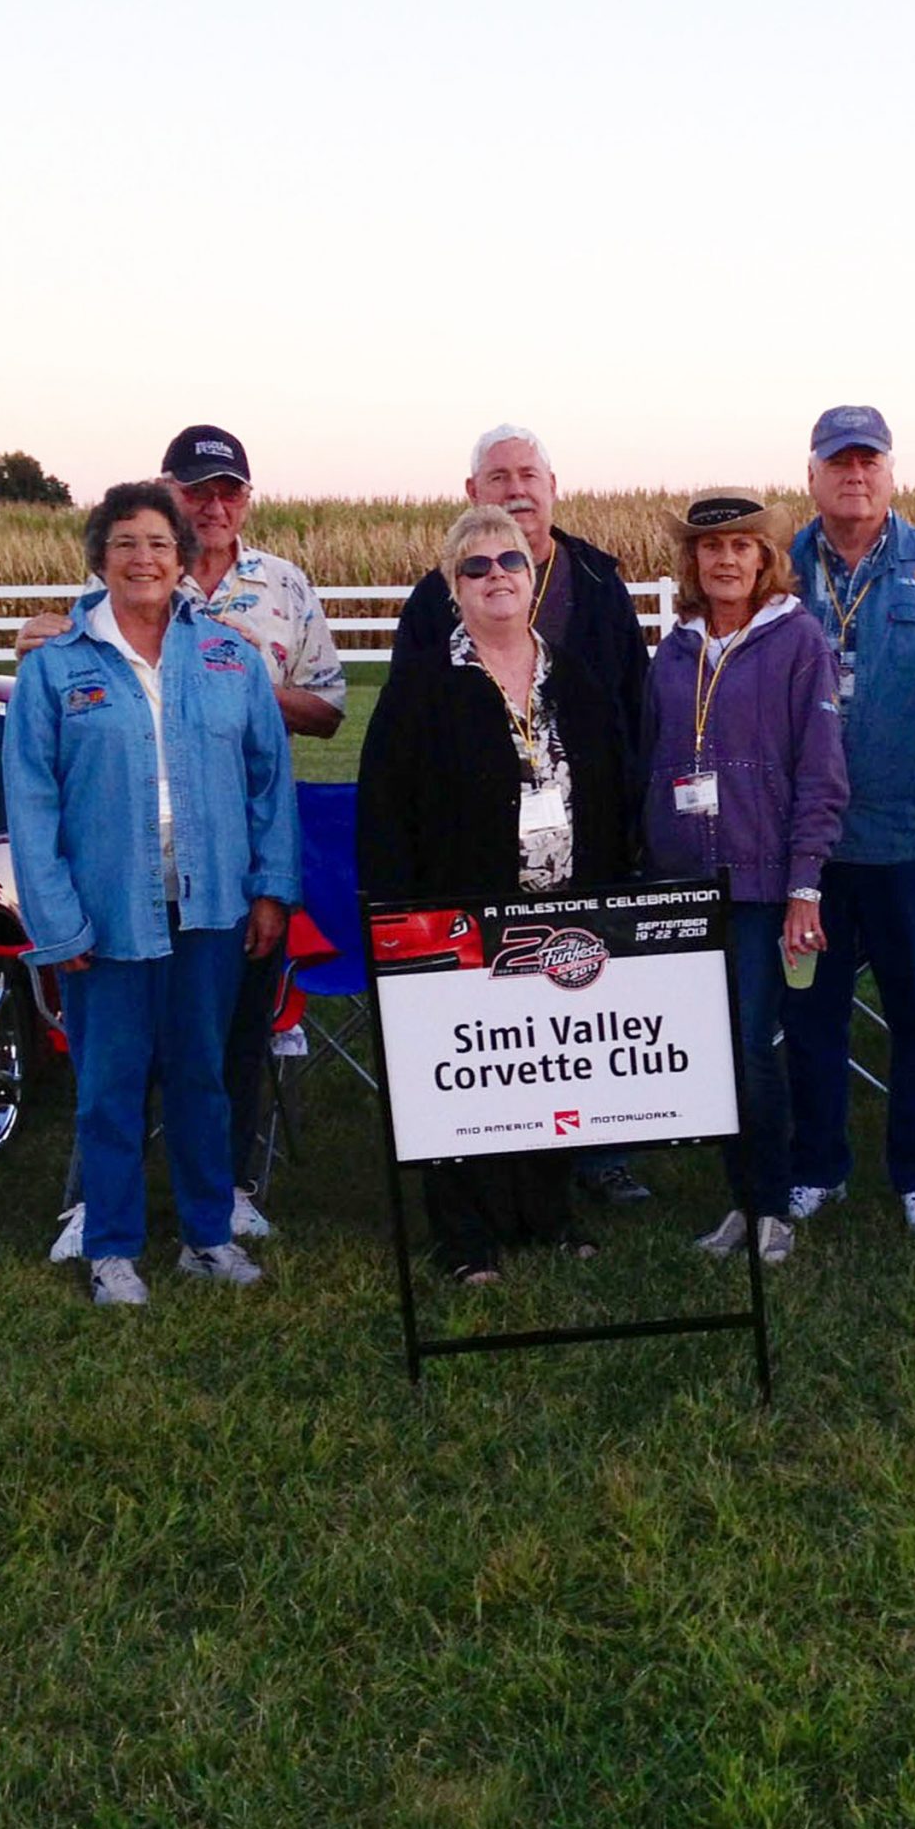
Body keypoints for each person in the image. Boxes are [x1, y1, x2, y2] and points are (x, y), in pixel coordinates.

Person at [22, 424, 344, 1250]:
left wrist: (274, 888)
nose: (146, 555)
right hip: (114, 890)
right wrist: (55, 916)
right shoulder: (81, 635)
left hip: (218, 884)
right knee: (111, 1073)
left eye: (227, 491)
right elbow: (37, 785)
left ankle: (216, 1214)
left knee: (215, 1060)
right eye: (127, 542)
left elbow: (298, 744)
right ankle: (106, 1224)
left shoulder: (256, 620)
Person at [357, 506, 635, 1283]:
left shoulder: (572, 677)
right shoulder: (421, 685)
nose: (496, 578)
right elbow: (384, 806)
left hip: (564, 916)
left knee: (546, 1069)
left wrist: (608, 901)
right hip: (459, 917)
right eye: (474, 567)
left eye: (509, 562)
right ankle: (466, 1235)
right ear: (454, 585)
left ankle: (546, 1215)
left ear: (533, 573)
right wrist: (396, 914)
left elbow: (612, 788)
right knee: (470, 1078)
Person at [392, 424, 656, 1207]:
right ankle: (486, 1168)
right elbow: (406, 748)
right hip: (474, 859)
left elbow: (633, 711)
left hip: (584, 852)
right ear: (472, 492)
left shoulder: (601, 584)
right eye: (497, 475)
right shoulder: (433, 599)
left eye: (528, 473)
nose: (516, 487)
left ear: (552, 484)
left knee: (581, 1008)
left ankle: (596, 1156)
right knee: (497, 1028)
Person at [782, 405, 915, 1236]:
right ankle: (818, 1166)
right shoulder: (778, 568)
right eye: (839, 462)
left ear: (892, 472)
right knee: (811, 1015)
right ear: (813, 476)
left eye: (869, 461)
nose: (854, 475)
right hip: (809, 851)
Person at [639, 494, 848, 1267]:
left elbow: (822, 772)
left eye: (741, 546)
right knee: (709, 1049)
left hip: (760, 887)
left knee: (753, 1047)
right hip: (684, 883)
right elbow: (649, 760)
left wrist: (805, 885)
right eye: (710, 546)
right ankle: (738, 1200)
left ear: (765, 558)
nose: (725, 560)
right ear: (692, 561)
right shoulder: (672, 651)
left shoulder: (798, 644)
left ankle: (772, 1205)